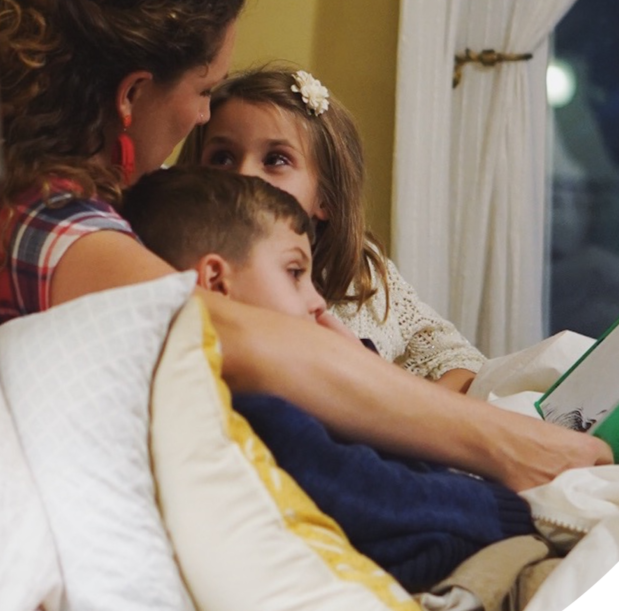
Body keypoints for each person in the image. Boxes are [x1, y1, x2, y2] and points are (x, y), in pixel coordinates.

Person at [0, 0, 612, 492]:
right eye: (205, 92)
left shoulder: (33, 195)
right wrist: (507, 444)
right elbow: (251, 345)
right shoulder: (49, 223)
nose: (203, 119)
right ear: (132, 94)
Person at [121, 166, 538, 595]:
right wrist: (516, 509)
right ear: (216, 282)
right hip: (433, 573)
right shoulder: (251, 409)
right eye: (295, 272)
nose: (317, 300)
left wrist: (362, 365)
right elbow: (376, 496)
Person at [178, 64, 481, 393]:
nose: (244, 175)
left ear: (325, 199)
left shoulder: (363, 273)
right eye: (222, 158)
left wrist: (410, 407)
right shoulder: (183, 273)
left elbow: (458, 359)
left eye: (276, 159)